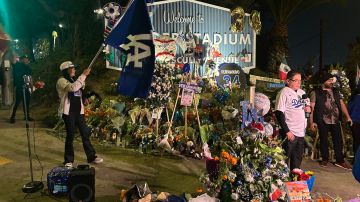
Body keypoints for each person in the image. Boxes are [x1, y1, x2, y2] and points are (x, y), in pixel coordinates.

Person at [56, 61, 103, 167]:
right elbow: (72, 88)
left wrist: (84, 98)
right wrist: (83, 75)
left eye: (74, 68)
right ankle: (68, 160)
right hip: (69, 113)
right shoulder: (61, 81)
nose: (74, 70)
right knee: (70, 135)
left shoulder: (73, 79)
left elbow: (79, 90)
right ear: (66, 70)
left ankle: (91, 157)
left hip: (78, 112)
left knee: (85, 134)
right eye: (72, 68)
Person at [309, 71, 352, 170]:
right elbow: (312, 108)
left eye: (332, 80)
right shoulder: (315, 92)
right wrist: (311, 122)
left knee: (338, 140)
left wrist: (348, 116)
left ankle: (340, 161)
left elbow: (341, 104)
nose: (331, 82)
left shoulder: (336, 91)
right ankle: (325, 159)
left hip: (335, 120)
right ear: (324, 81)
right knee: (323, 140)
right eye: (329, 80)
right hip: (322, 120)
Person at [275, 70, 311, 171]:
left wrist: (309, 109)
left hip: (301, 133)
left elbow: (307, 108)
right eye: (296, 80)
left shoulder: (302, 93)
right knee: (284, 161)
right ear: (288, 81)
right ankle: (282, 182)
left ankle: (294, 182)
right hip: (290, 133)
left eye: (300, 80)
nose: (299, 83)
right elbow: (279, 113)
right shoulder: (284, 92)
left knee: (297, 162)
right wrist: (287, 131)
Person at [10, 55, 33, 123]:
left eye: (27, 59)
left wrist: (31, 88)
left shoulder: (29, 68)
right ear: (22, 59)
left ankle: (27, 116)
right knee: (17, 102)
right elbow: (12, 60)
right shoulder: (18, 65)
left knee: (27, 102)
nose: (26, 60)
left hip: (26, 87)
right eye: (25, 59)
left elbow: (30, 78)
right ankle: (12, 117)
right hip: (19, 86)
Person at [348, 88, 360, 156]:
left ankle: (356, 158)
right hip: (356, 121)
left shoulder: (353, 98)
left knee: (356, 140)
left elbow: (349, 109)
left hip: (353, 121)